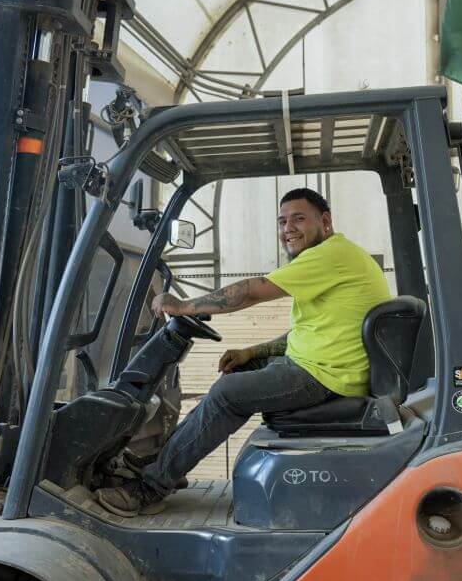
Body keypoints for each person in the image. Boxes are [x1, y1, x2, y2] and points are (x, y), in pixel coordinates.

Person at [96, 187, 390, 517]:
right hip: (324, 367)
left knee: (227, 393)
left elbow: (251, 291)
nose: (288, 228)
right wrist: (251, 352)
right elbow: (307, 332)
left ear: (325, 221)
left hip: (326, 377)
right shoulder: (336, 255)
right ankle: (168, 461)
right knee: (236, 374)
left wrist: (184, 306)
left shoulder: (329, 255)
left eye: (298, 219)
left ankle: (151, 488)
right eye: (282, 221)